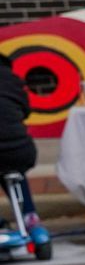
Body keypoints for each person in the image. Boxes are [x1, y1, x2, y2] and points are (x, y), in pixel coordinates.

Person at [0, 52, 48, 253]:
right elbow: (25, 111)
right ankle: (30, 218)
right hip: (20, 150)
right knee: (14, 173)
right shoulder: (13, 81)